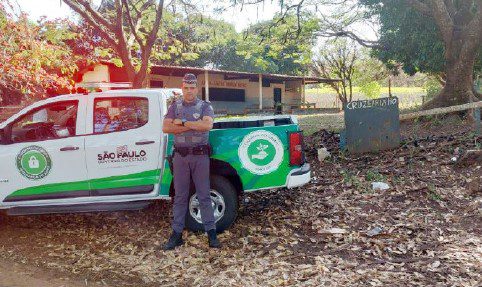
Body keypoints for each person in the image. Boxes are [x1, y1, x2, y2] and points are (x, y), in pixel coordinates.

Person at [161, 73, 220, 250]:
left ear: (197, 88)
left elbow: (207, 126)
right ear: (182, 88)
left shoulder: (205, 106)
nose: (189, 91)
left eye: (192, 88)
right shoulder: (175, 106)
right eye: (186, 88)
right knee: (180, 197)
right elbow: (166, 127)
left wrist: (184, 122)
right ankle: (176, 235)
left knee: (204, 195)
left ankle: (212, 234)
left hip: (200, 156)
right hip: (180, 157)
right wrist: (194, 124)